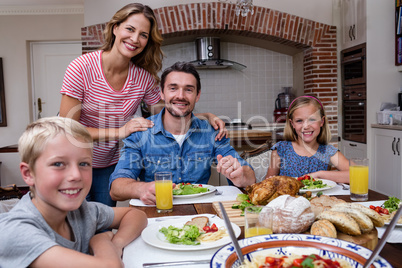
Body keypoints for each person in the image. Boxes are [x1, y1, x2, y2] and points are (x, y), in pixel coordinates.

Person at [59, 3, 226, 206]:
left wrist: (205, 116)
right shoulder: (81, 67)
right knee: (71, 226)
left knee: (102, 225)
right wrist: (120, 132)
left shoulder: (143, 78)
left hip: (108, 164)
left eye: (143, 35)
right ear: (115, 28)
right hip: (73, 160)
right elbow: (68, 129)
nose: (135, 39)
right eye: (130, 29)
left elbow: (168, 113)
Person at [0, 117, 147, 267]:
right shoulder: (16, 232)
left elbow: (136, 215)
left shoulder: (81, 211)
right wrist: (101, 240)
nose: (76, 175)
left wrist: (117, 243)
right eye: (58, 164)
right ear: (28, 174)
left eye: (83, 163)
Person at [109, 62, 256, 205]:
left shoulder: (211, 132)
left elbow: (249, 177)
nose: (180, 96)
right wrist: (141, 188)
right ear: (162, 93)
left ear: (197, 95)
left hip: (202, 214)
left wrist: (240, 174)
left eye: (188, 90)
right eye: (173, 88)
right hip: (158, 213)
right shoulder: (140, 133)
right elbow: (116, 187)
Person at [265, 95, 350, 183]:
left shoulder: (328, 151)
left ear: (322, 121)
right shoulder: (281, 149)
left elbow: (357, 175)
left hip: (318, 197)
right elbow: (268, 183)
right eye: (299, 121)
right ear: (292, 124)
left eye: (312, 119)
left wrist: (320, 174)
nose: (306, 126)